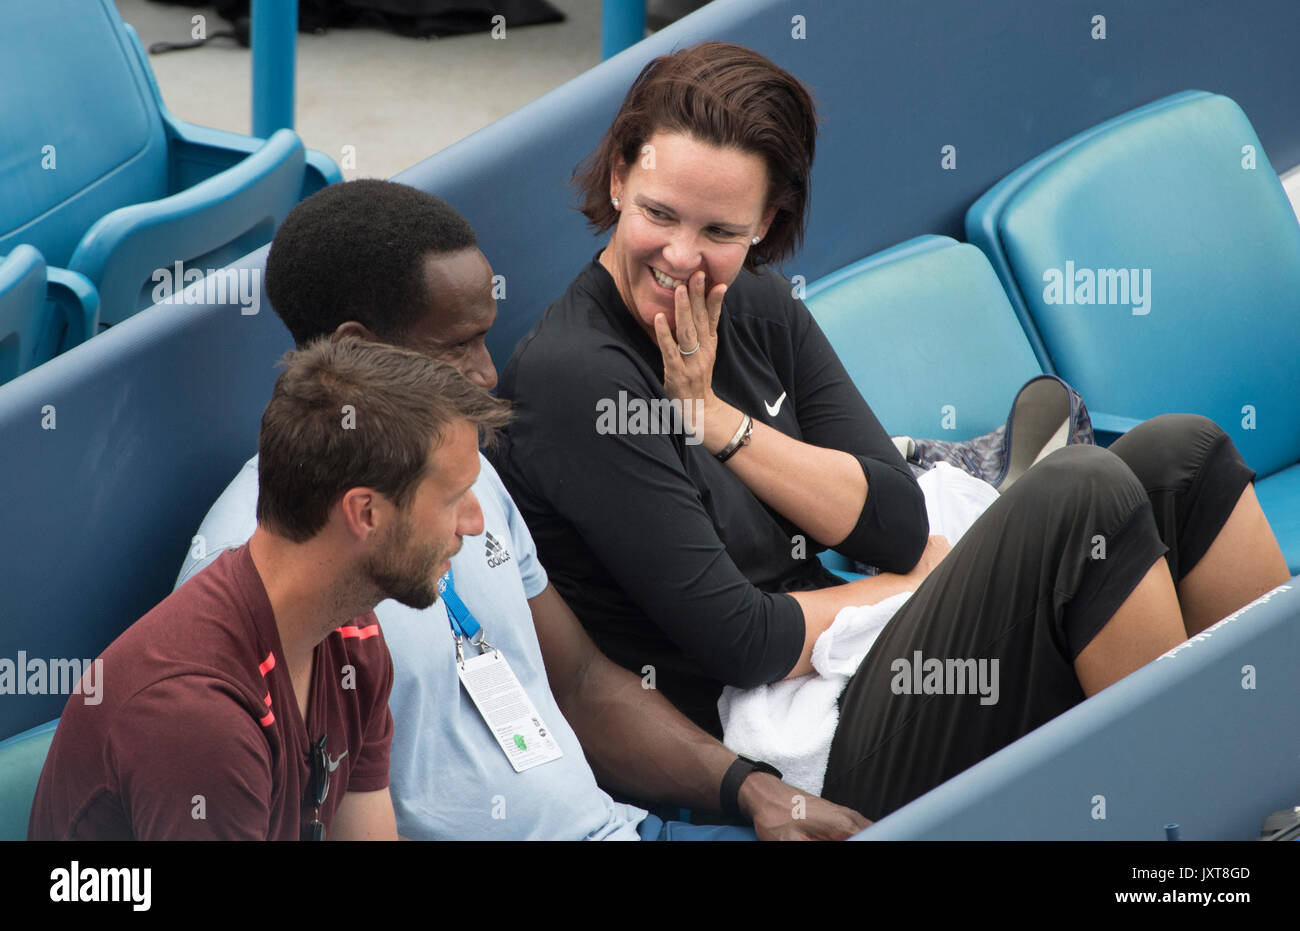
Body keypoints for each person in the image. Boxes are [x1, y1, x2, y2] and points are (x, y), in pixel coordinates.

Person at [488, 42, 1293, 820]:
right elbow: (741, 640)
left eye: (721, 233)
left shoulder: (758, 304)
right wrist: (913, 589)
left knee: (1183, 454)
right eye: (661, 214)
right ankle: (1183, 836)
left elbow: (898, 521)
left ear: (766, 222)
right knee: (1082, 493)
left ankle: (1274, 786)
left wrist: (717, 421)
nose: (683, 258)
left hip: (861, 653)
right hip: (799, 740)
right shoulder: (577, 378)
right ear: (621, 176)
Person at [176, 179, 867, 840]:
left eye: (485, 337)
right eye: (457, 345)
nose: (486, 372)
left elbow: (583, 682)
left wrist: (753, 788)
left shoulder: (467, 473)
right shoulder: (269, 566)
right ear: (360, 350)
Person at [30, 336, 501, 840]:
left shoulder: (353, 640)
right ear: (365, 513)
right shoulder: (197, 719)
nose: (474, 523)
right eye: (454, 498)